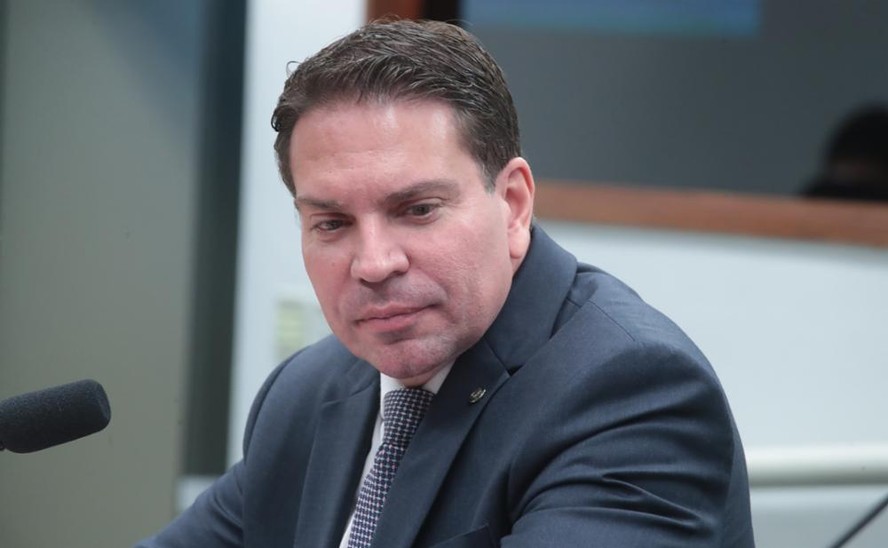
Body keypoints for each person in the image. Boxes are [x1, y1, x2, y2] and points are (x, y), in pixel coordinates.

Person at [137, 19, 754, 547]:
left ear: (512, 205)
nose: (374, 263)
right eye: (332, 223)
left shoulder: (628, 391)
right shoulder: (303, 392)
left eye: (418, 210)